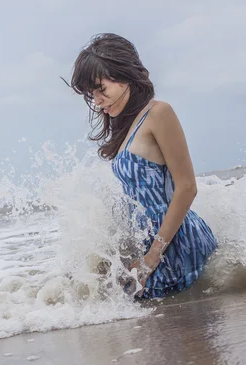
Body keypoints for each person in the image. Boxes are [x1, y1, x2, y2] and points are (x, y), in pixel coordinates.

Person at [67, 33, 218, 300]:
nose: (98, 100)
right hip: (152, 244)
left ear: (125, 75)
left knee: (180, 331)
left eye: (101, 88)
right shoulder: (126, 126)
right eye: (92, 94)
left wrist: (152, 256)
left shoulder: (159, 113)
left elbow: (186, 187)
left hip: (176, 242)